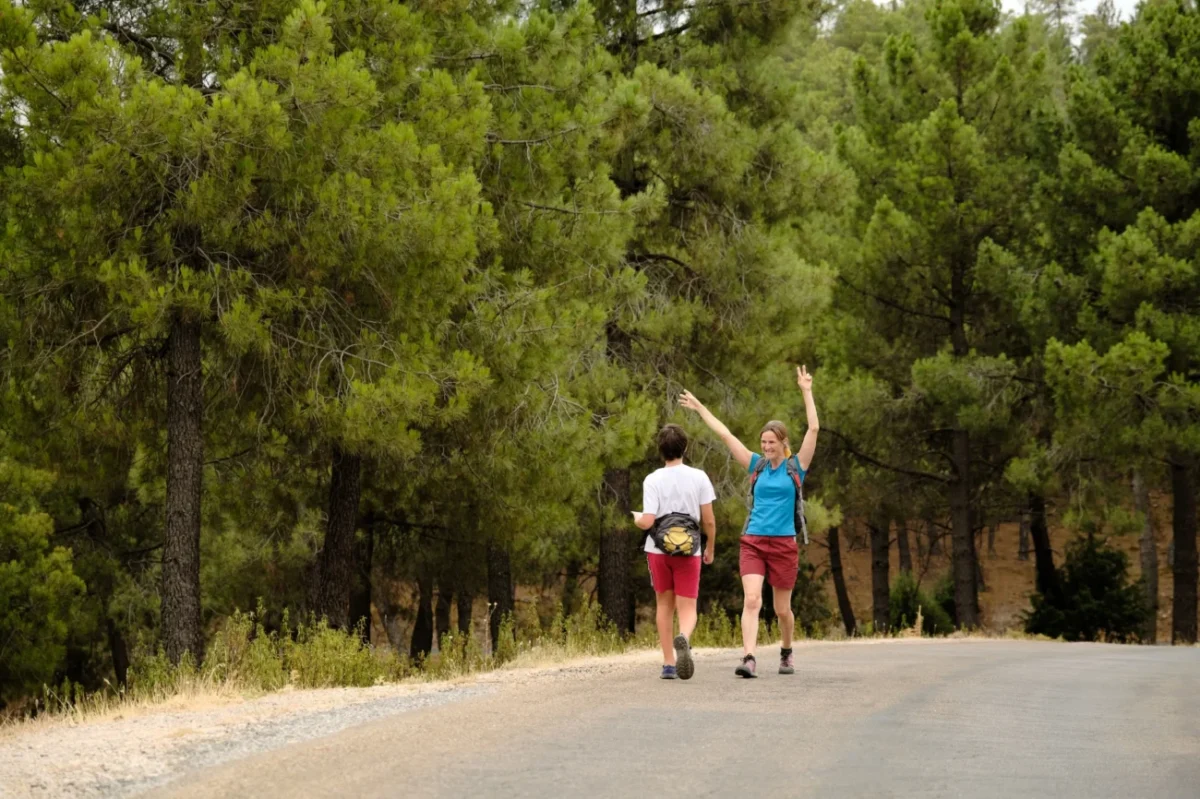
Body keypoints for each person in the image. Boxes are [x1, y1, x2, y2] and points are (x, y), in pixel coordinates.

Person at [679, 366, 819, 678]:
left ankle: (786, 651)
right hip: (753, 542)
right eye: (763, 442)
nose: (766, 447)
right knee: (752, 600)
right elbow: (725, 434)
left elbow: (813, 430)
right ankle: (749, 657)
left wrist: (806, 392)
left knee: (782, 610)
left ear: (783, 443)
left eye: (772, 443)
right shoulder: (755, 464)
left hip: (784, 544)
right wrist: (701, 408)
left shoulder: (797, 466)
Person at [633, 424, 717, 680]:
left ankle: (669, 663)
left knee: (664, 605)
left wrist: (636, 519)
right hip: (689, 550)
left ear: (661, 451)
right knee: (687, 605)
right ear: (685, 448)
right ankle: (685, 637)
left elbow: (648, 521)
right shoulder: (699, 477)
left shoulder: (652, 479)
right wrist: (709, 546)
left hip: (658, 550)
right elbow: (709, 520)